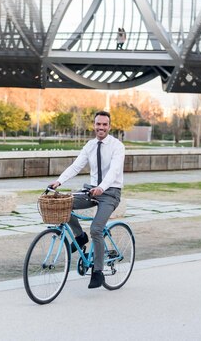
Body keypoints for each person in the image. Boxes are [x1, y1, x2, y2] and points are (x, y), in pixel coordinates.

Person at [49, 110, 125, 289]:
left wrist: (102, 187)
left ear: (109, 126)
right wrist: (59, 181)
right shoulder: (90, 145)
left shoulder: (117, 146)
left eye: (104, 124)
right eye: (98, 124)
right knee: (63, 204)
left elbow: (114, 171)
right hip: (92, 190)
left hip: (111, 192)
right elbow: (76, 166)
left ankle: (98, 272)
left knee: (96, 229)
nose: (101, 127)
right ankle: (80, 237)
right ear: (94, 125)